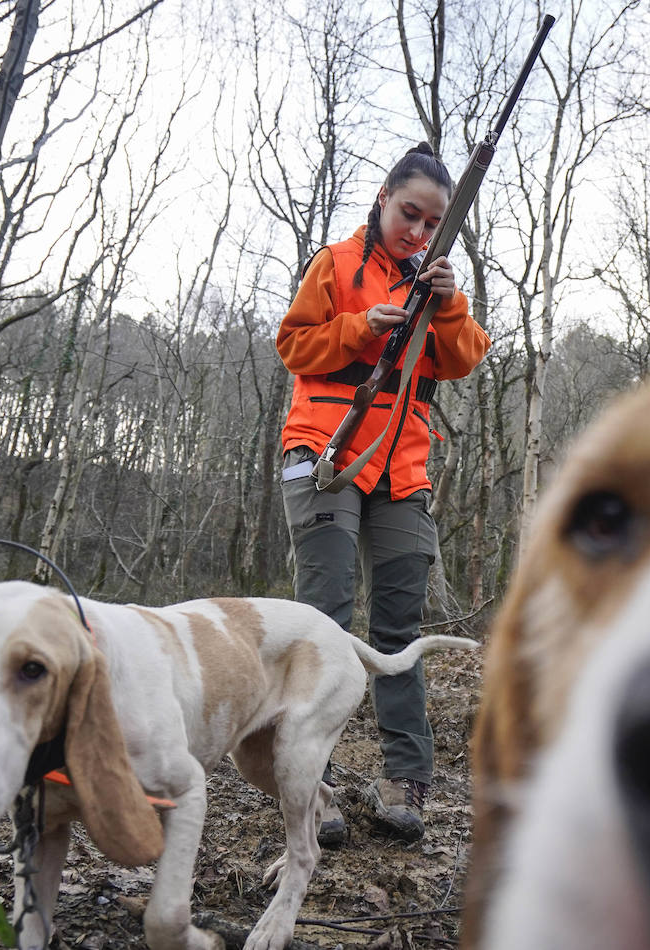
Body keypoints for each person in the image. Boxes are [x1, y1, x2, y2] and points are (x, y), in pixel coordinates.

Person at [276, 142, 490, 845]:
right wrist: (357, 329)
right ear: (383, 198)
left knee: (400, 630)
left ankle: (406, 779)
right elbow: (293, 345)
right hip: (326, 454)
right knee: (324, 621)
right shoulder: (336, 263)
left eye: (432, 223)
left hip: (403, 472)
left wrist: (450, 302)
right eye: (409, 214)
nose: (419, 233)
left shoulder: (437, 285)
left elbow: (462, 359)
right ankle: (314, 780)